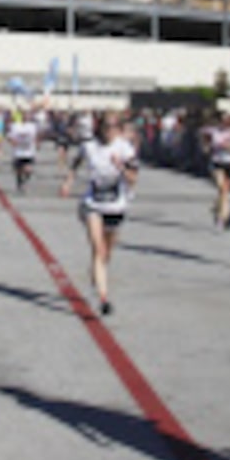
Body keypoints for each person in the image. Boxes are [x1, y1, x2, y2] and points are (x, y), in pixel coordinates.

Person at [68, 111, 138, 314]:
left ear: (119, 129)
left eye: (114, 127)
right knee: (98, 250)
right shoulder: (90, 146)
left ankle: (97, 277)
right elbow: (78, 159)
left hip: (116, 206)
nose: (110, 131)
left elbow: (133, 179)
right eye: (106, 126)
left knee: (106, 253)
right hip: (93, 204)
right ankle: (103, 298)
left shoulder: (124, 149)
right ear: (100, 127)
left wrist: (121, 168)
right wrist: (69, 180)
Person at [6, 109, 39, 191]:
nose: (26, 117)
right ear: (21, 116)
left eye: (28, 115)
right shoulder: (15, 126)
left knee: (28, 170)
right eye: (24, 115)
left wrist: (37, 143)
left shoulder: (32, 126)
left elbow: (36, 136)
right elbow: (9, 136)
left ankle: (25, 181)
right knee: (19, 170)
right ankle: (19, 181)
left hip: (29, 152)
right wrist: (12, 141)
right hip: (18, 152)